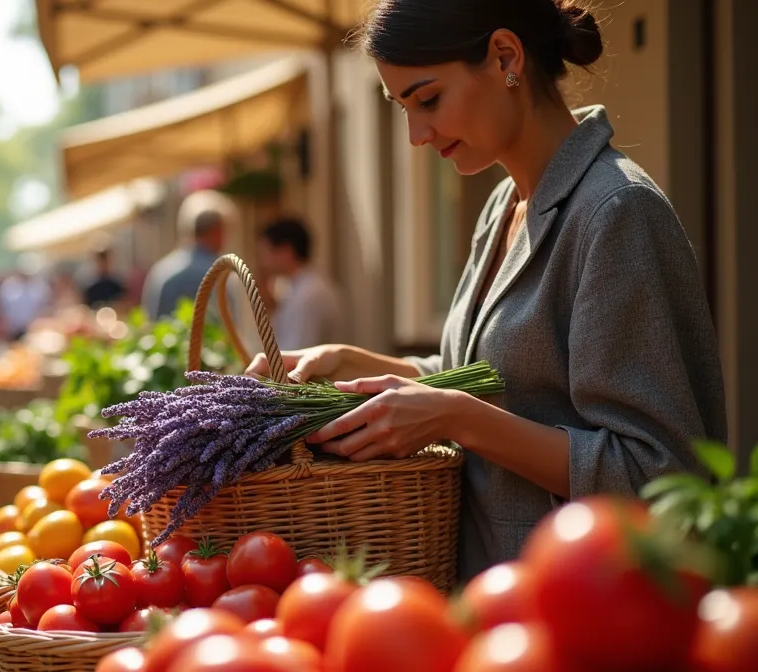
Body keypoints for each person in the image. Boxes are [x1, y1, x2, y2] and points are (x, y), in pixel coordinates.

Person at [247, 0, 727, 584]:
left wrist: (456, 418)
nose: (416, 135)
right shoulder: (503, 208)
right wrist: (350, 361)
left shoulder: (617, 212)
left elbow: (658, 475)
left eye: (427, 100)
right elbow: (491, 379)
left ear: (506, 56)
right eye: (402, 108)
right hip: (491, 601)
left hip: (576, 610)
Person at [142, 190, 236, 320]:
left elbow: (150, 322)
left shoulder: (161, 271)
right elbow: (230, 329)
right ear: (216, 231)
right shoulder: (219, 274)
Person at [256, 216, 345, 351]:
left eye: (265, 251)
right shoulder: (296, 288)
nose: (262, 260)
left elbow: (295, 351)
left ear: (286, 251)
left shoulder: (308, 295)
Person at [0, 256, 50, 342]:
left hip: (34, 329)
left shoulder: (40, 285)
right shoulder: (8, 285)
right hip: (13, 330)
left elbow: (45, 306)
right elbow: (2, 307)